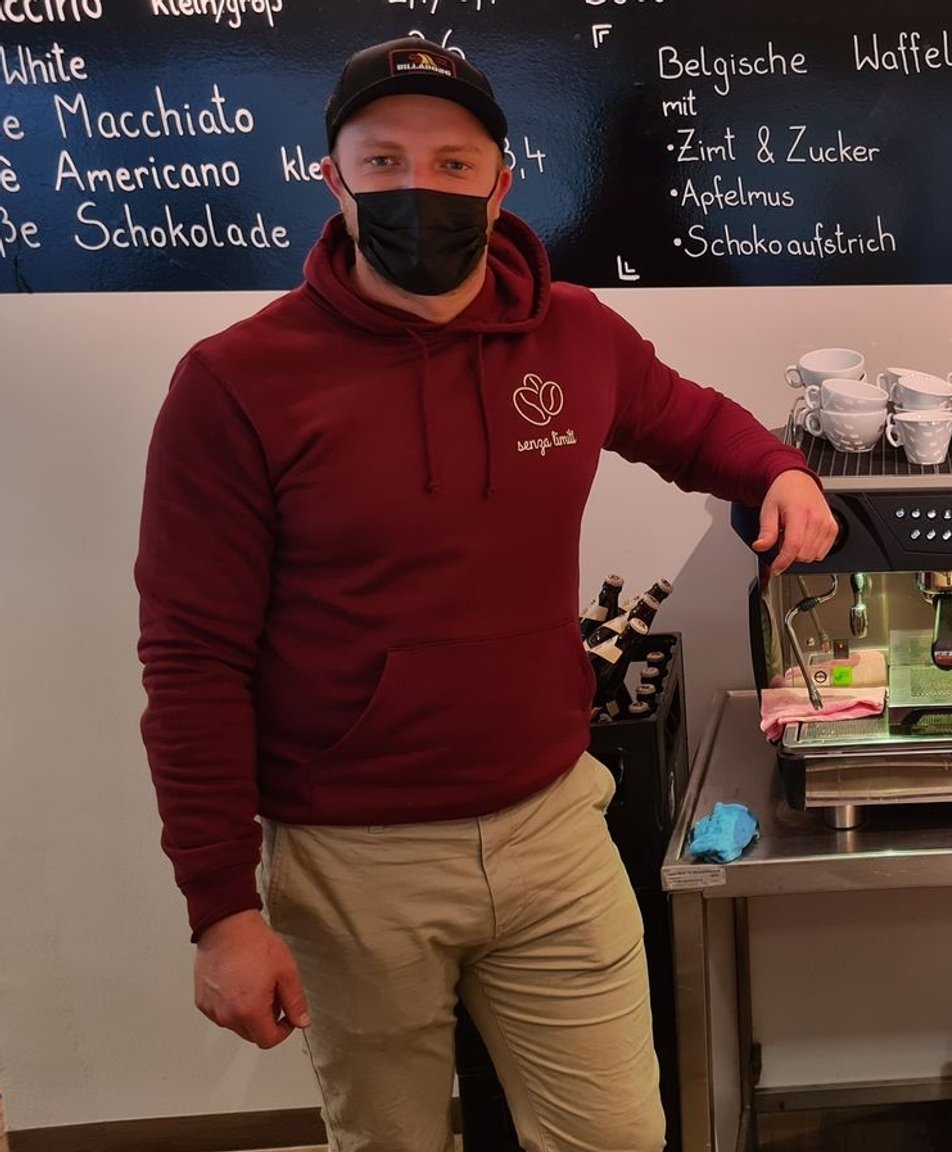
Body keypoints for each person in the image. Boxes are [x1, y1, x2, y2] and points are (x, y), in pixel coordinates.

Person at [134, 36, 835, 1152]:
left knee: (616, 1137)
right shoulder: (234, 383)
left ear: (502, 180)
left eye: (454, 164)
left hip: (551, 821)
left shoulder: (572, 332)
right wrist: (220, 908)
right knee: (393, 1140)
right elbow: (190, 658)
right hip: (349, 859)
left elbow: (686, 419)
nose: (421, 188)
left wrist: (777, 468)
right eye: (384, 161)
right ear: (335, 178)